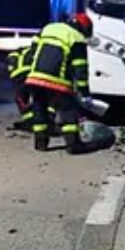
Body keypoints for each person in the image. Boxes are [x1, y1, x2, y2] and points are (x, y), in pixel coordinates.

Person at [25, 13, 92, 153]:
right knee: (68, 110)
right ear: (82, 28)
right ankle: (73, 145)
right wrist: (84, 90)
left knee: (39, 109)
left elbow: (32, 52)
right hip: (57, 80)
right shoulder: (76, 37)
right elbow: (80, 66)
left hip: (35, 77)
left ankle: (41, 143)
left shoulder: (48, 28)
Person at [6, 35, 39, 130]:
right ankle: (37, 119)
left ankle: (28, 121)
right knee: (37, 97)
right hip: (30, 76)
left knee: (21, 99)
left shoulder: (11, 55)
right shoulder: (30, 52)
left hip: (18, 78)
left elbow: (10, 69)